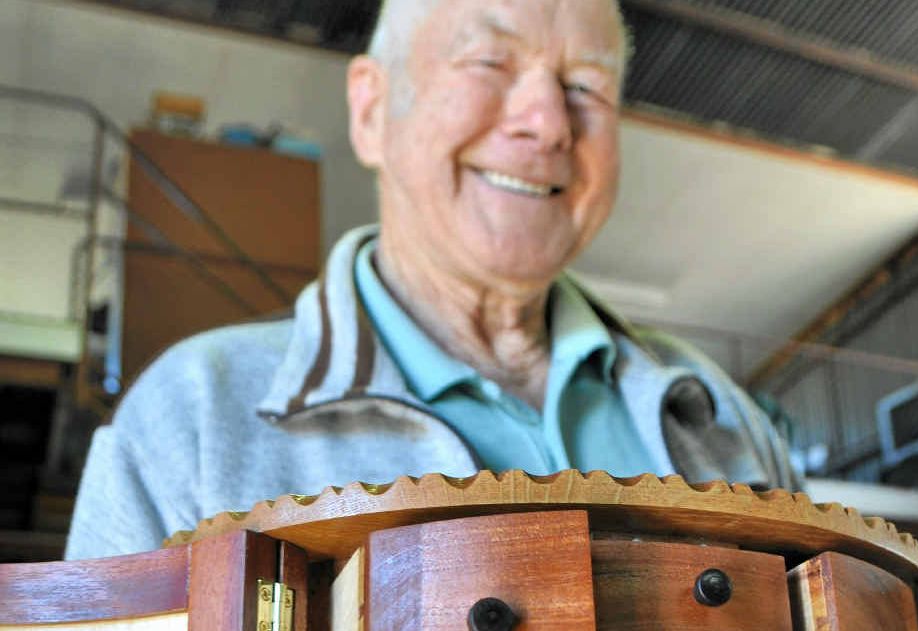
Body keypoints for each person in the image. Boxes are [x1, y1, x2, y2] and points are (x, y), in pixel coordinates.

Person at [66, 0, 797, 560]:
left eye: (586, 86)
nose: (547, 123)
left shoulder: (723, 416)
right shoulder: (190, 420)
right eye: (489, 63)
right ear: (371, 109)